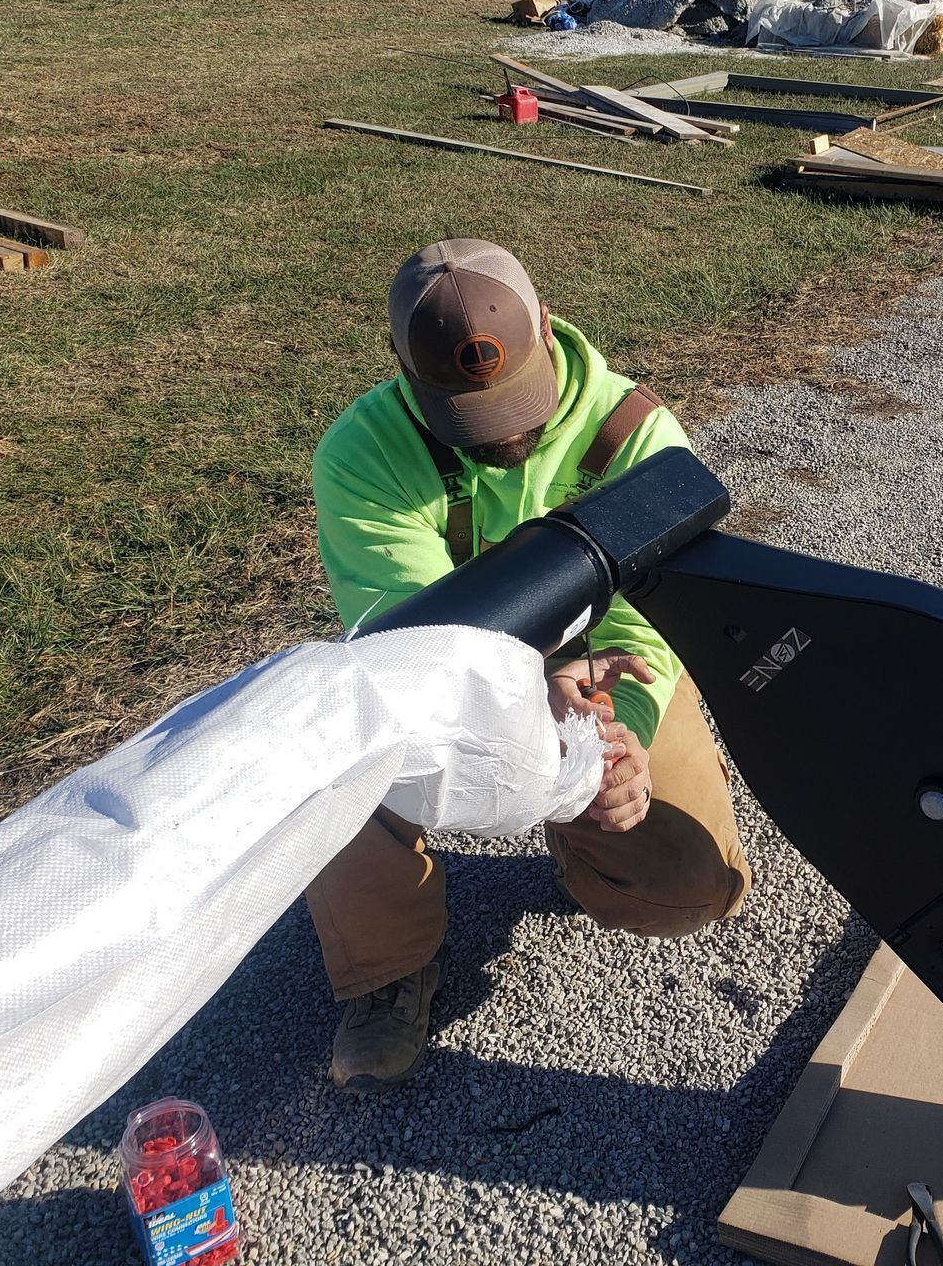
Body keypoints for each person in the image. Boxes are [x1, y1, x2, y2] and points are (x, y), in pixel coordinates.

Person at [306, 238, 753, 1091]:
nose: (508, 432)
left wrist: (623, 743)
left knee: (693, 890)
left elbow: (660, 622)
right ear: (400, 368)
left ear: (549, 327)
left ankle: (580, 842)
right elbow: (406, 641)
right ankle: (388, 965)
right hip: (448, 678)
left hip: (605, 670)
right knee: (329, 742)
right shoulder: (360, 454)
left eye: (523, 403)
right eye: (472, 416)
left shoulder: (638, 432)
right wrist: (526, 698)